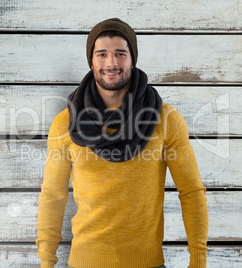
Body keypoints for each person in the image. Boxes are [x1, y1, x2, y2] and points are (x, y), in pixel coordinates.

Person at [36, 18, 208, 268]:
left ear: (132, 58)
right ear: (91, 60)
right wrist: (46, 261)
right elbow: (53, 195)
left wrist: (198, 260)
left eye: (120, 54)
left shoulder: (165, 118)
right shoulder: (65, 124)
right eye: (102, 54)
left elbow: (191, 191)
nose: (111, 63)